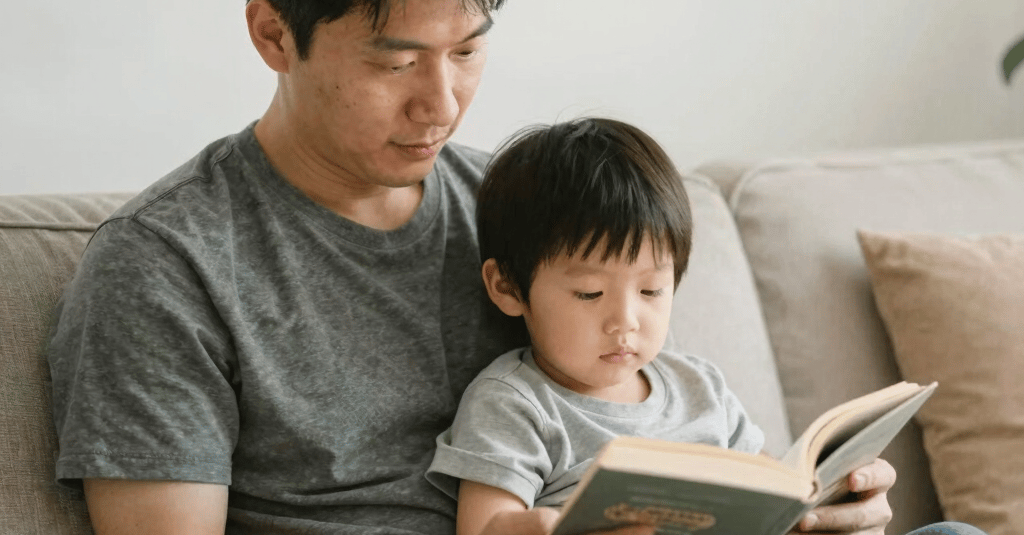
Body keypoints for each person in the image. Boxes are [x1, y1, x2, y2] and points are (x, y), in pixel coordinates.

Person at [45, 0, 919, 534]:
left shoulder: (526, 210)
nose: (443, 103)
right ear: (275, 32)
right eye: (396, 59)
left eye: (466, 49)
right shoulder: (166, 264)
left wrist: (807, 511)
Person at [425, 117, 767, 535]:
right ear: (507, 287)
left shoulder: (702, 388)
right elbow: (484, 529)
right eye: (589, 293)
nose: (625, 321)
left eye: (652, 291)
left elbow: (771, 485)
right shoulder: (514, 407)